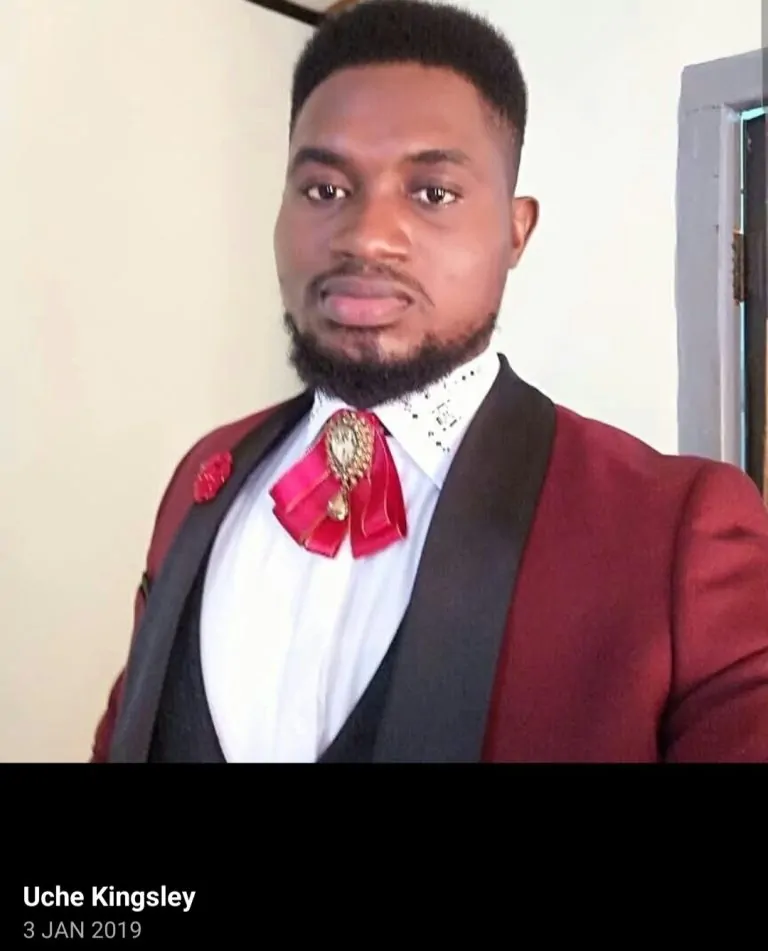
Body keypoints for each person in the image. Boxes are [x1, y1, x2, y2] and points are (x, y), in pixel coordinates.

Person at [91, 0, 768, 763]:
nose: (366, 237)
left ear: (516, 231)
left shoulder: (678, 533)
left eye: (432, 193)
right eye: (324, 190)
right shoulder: (204, 475)